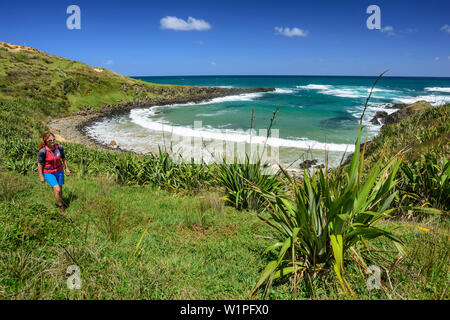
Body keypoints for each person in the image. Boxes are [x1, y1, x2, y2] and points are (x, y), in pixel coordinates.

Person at [37, 132, 71, 212]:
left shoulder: (59, 147)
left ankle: (61, 200)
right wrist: (41, 176)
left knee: (60, 189)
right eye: (50, 140)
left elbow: (63, 158)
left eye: (53, 140)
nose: (52, 142)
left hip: (59, 171)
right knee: (57, 189)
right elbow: (40, 164)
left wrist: (67, 168)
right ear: (46, 141)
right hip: (49, 173)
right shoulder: (43, 151)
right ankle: (61, 206)